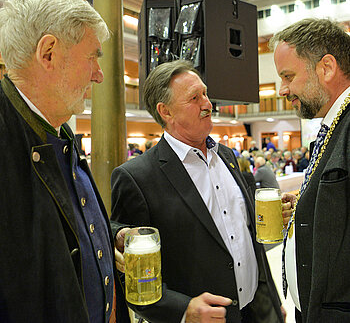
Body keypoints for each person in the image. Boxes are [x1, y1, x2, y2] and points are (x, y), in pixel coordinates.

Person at [111, 60, 287, 323]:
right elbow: (131, 276)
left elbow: (246, 238)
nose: (208, 104)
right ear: (165, 111)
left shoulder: (227, 157)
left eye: (205, 93)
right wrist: (181, 310)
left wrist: (271, 300)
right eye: (194, 98)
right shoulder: (137, 177)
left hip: (257, 311)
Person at [0, 0, 130, 323]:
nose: (99, 74)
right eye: (92, 57)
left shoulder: (61, 133)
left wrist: (106, 232)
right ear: (48, 54)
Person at [269, 18, 350, 322]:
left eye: (287, 76)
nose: (282, 90)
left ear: (326, 68)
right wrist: (308, 204)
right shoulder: (333, 123)